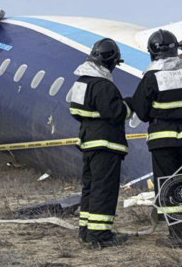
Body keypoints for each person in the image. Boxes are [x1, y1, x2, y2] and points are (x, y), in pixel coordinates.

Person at [129, 29, 182, 248]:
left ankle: (177, 236)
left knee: (168, 185)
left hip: (163, 140)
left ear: (153, 52)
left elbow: (141, 111)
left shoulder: (152, 77)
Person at [69, 38, 131, 249]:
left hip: (88, 143)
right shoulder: (103, 85)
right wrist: (129, 105)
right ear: (111, 62)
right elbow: (116, 113)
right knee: (104, 189)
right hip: (106, 145)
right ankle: (100, 235)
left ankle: (86, 230)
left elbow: (75, 112)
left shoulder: (81, 82)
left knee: (91, 187)